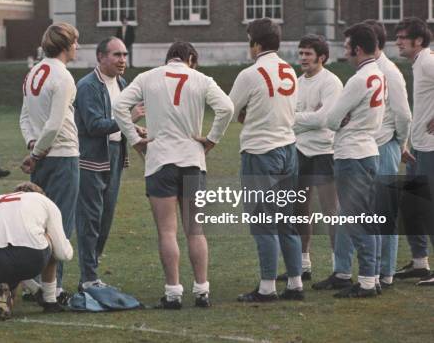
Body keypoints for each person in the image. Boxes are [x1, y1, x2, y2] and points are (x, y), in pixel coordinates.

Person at [114, 41, 234, 309]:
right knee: (196, 230)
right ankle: (202, 290)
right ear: (190, 58)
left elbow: (119, 106)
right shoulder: (201, 79)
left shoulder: (148, 77)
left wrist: (134, 139)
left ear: (169, 57)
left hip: (160, 160)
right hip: (193, 159)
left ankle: (173, 293)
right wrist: (212, 139)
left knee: (167, 232)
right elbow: (227, 108)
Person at [229, 18, 304, 302]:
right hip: (288, 148)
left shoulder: (250, 73)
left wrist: (210, 138)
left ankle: (267, 286)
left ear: (256, 44)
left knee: (263, 221)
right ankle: (295, 282)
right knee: (286, 220)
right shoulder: (290, 70)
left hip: (261, 151)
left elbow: (228, 109)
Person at [314, 23, 385, 298]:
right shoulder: (378, 74)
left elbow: (331, 119)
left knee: (358, 219)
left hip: (352, 153)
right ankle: (373, 276)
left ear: (357, 49)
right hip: (368, 149)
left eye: (346, 47)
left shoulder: (358, 79)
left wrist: (338, 118)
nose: (344, 52)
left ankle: (367, 280)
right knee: (368, 217)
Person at [74, 37, 145, 291]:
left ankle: (92, 265)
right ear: (100, 57)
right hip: (91, 159)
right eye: (116, 55)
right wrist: (127, 117)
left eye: (124, 55)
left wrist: (135, 128)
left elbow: (117, 125)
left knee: (106, 216)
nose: (122, 60)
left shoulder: (122, 83)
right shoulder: (87, 86)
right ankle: (89, 277)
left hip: (114, 155)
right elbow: (94, 126)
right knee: (91, 218)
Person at [19, 22, 80, 303]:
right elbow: (56, 125)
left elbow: (24, 117)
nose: (77, 47)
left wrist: (33, 145)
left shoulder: (33, 73)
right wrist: (37, 152)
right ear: (65, 46)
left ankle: (35, 281)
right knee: (60, 225)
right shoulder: (63, 76)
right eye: (75, 42)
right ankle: (52, 289)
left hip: (41, 158)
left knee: (39, 224)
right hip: (62, 156)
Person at [282, 34, 343, 281]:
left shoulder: (331, 83)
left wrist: (298, 118)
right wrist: (307, 117)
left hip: (325, 152)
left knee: (331, 211)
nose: (303, 58)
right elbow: (289, 119)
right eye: (301, 53)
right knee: (299, 209)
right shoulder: (295, 82)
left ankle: (339, 267)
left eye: (308, 54)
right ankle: (303, 264)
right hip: (300, 151)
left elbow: (324, 119)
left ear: (322, 57)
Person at [0, 181, 74, 320]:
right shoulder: (43, 201)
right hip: (31, 256)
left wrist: (34, 288)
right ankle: (50, 301)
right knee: (48, 239)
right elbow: (62, 253)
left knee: (4, 290)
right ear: (39, 193)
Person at [364, 19, 412, 289]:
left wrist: (400, 141)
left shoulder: (389, 72)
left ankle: (386, 271)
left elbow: (404, 114)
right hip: (371, 145)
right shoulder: (372, 69)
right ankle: (376, 267)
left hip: (386, 146)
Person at [394, 16, 434, 286]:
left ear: (418, 40)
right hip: (418, 148)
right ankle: (420, 262)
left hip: (431, 148)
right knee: (410, 206)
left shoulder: (429, 61)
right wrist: (407, 142)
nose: (397, 42)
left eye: (402, 37)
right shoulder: (419, 63)